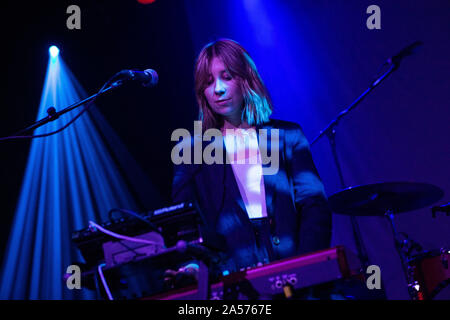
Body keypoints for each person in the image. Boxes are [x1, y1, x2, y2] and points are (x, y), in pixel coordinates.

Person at [168, 39, 332, 295]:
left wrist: (304, 267)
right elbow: (185, 225)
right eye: (208, 82)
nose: (218, 89)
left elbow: (315, 206)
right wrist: (192, 266)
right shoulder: (191, 151)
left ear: (246, 79)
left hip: (294, 269)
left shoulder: (287, 135)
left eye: (227, 76)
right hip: (233, 279)